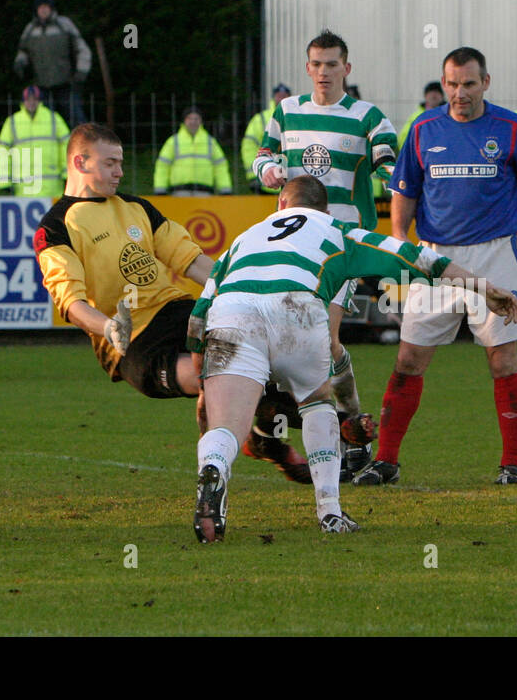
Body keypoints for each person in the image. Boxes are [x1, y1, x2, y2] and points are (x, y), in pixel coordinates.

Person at [185, 175, 517, 541]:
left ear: (281, 203)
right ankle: (329, 510)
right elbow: (417, 257)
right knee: (316, 406)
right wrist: (484, 287)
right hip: (296, 309)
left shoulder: (243, 238)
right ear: (325, 210)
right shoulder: (337, 230)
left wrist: (199, 353)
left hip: (233, 315)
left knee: (227, 428)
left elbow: (205, 300)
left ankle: (214, 468)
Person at [33, 122, 313, 485]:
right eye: (110, 163)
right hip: (132, 341)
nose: (120, 171)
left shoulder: (136, 208)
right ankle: (320, 430)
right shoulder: (56, 227)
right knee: (216, 377)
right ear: (80, 162)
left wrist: (242, 287)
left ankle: (278, 440)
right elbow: (70, 301)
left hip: (180, 312)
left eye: (120, 162)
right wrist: (108, 327)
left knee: (269, 363)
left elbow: (191, 261)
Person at [353, 46, 517, 487]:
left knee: (503, 360)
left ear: (485, 83)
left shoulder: (512, 128)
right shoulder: (422, 129)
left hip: (495, 256)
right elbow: (404, 192)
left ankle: (512, 463)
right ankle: (387, 461)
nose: (459, 93)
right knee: (409, 359)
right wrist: (401, 244)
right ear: (443, 84)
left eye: (469, 84)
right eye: (452, 84)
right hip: (434, 259)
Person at [252, 29, 398, 478]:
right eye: (315, 64)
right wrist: (270, 169)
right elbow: (260, 158)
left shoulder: (367, 115)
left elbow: (390, 161)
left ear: (346, 69)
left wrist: (394, 174)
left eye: (331, 64)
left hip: (341, 245)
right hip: (293, 246)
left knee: (326, 340)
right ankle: (346, 429)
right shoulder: (287, 112)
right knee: (293, 343)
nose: (322, 72)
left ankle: (350, 430)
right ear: (307, 67)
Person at [13, 0, 91, 127]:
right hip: (42, 86)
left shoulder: (64, 24)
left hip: (66, 83)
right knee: (46, 124)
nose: (43, 10)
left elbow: (82, 49)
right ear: (36, 10)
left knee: (77, 121)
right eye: (40, 7)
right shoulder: (30, 29)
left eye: (46, 6)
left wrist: (81, 71)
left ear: (51, 8)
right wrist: (20, 64)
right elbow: (23, 51)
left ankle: (83, 147)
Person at [0, 86, 70, 199]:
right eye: (28, 99)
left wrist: (68, 174)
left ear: (40, 101)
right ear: (23, 101)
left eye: (34, 99)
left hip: (51, 188)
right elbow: (2, 151)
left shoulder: (53, 119)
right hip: (23, 188)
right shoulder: (12, 122)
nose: (31, 102)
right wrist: (4, 180)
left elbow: (67, 146)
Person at [153, 106, 233, 196]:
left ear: (201, 121)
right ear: (184, 121)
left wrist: (225, 188)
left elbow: (220, 167)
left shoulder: (210, 142)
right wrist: (160, 188)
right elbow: (163, 167)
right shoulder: (173, 142)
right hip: (179, 192)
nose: (193, 122)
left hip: (205, 192)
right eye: (189, 118)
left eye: (196, 119)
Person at [241, 83, 291, 194]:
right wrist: (254, 175)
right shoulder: (260, 119)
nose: (281, 98)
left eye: (284, 95)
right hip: (266, 181)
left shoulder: (296, 118)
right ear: (273, 98)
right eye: (279, 95)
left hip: (292, 182)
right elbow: (249, 147)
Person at [397, 81, 445, 151]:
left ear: (442, 97)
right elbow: (404, 137)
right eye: (431, 92)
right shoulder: (416, 116)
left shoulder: (448, 115)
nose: (433, 95)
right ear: (425, 96)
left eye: (437, 92)